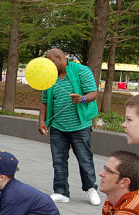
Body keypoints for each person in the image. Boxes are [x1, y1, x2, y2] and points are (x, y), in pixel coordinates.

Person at [38, 48, 101, 206]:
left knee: (84, 159)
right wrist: (41, 121)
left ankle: (90, 189)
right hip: (58, 127)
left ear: (60, 58)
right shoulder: (49, 77)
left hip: (80, 125)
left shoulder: (82, 71)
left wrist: (82, 98)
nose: (49, 66)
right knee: (58, 161)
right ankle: (61, 192)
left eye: (51, 62)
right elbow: (45, 101)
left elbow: (93, 93)